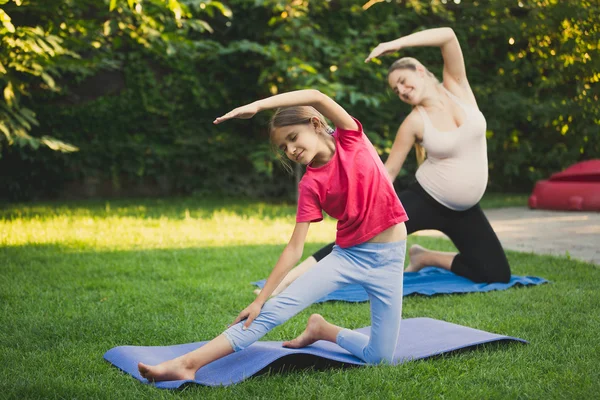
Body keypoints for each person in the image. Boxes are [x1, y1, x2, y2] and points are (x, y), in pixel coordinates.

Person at [138, 88, 409, 381]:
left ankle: (321, 330)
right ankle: (188, 364)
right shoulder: (310, 184)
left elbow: (316, 95)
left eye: (293, 138)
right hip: (349, 257)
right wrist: (260, 299)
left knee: (380, 357)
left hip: (391, 258)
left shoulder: (351, 137)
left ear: (315, 125)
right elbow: (295, 247)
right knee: (271, 312)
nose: (290, 150)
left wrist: (256, 106)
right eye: (284, 147)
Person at [258, 27, 510, 300]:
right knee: (355, 241)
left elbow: (449, 35)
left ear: (420, 70)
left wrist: (394, 44)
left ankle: (426, 256)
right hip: (427, 198)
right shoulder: (413, 122)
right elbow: (386, 171)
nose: (400, 90)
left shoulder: (458, 88)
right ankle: (289, 281)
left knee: (496, 273)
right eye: (395, 88)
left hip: (466, 208)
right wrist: (362, 203)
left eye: (402, 80)